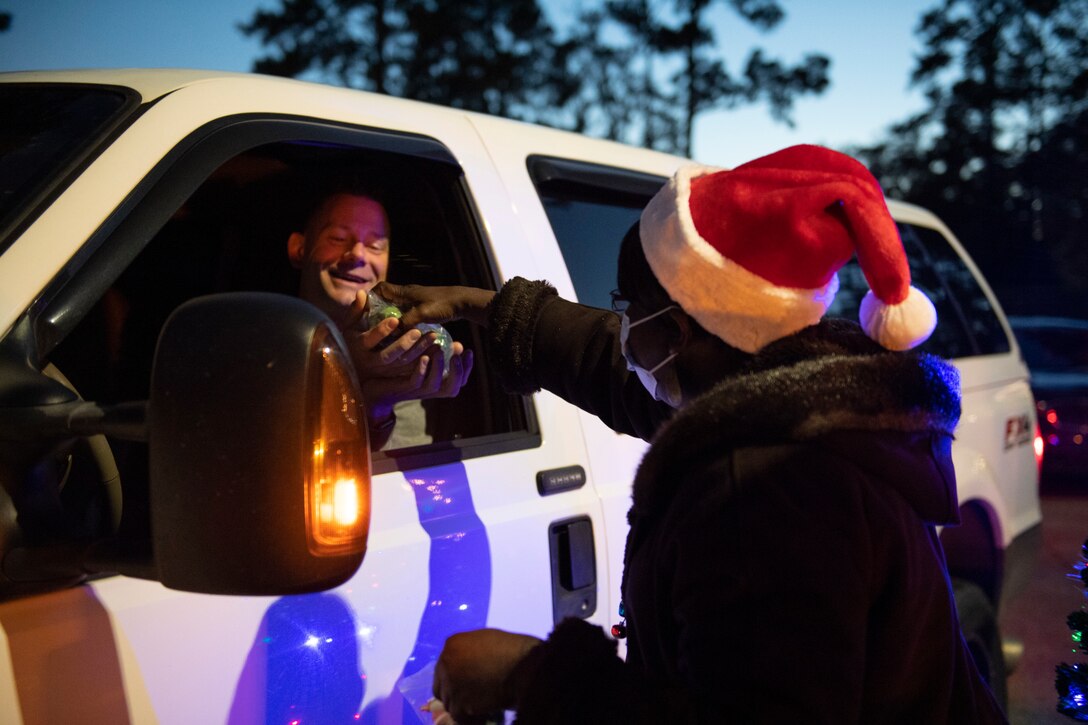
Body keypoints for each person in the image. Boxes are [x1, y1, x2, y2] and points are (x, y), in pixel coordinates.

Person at [376, 145, 1008, 723]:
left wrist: (531, 675)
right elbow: (609, 364)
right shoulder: (809, 402)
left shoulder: (769, 489)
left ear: (677, 333)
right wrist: (484, 306)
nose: (623, 334)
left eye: (627, 308)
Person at [287, 180, 473, 450]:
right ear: (299, 248)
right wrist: (347, 380)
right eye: (338, 238)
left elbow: (401, 476)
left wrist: (377, 404)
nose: (357, 254)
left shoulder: (401, 357)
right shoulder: (268, 341)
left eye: (375, 245)